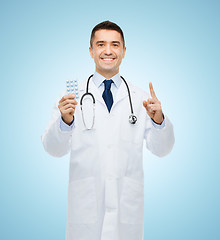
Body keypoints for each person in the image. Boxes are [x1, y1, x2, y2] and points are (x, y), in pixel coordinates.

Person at [41, 20, 175, 240]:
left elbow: (162, 150)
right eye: (101, 44)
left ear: (123, 51)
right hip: (85, 208)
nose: (108, 51)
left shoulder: (141, 98)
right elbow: (53, 149)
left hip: (126, 208)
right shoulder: (70, 98)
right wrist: (65, 121)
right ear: (91, 51)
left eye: (115, 45)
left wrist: (159, 120)